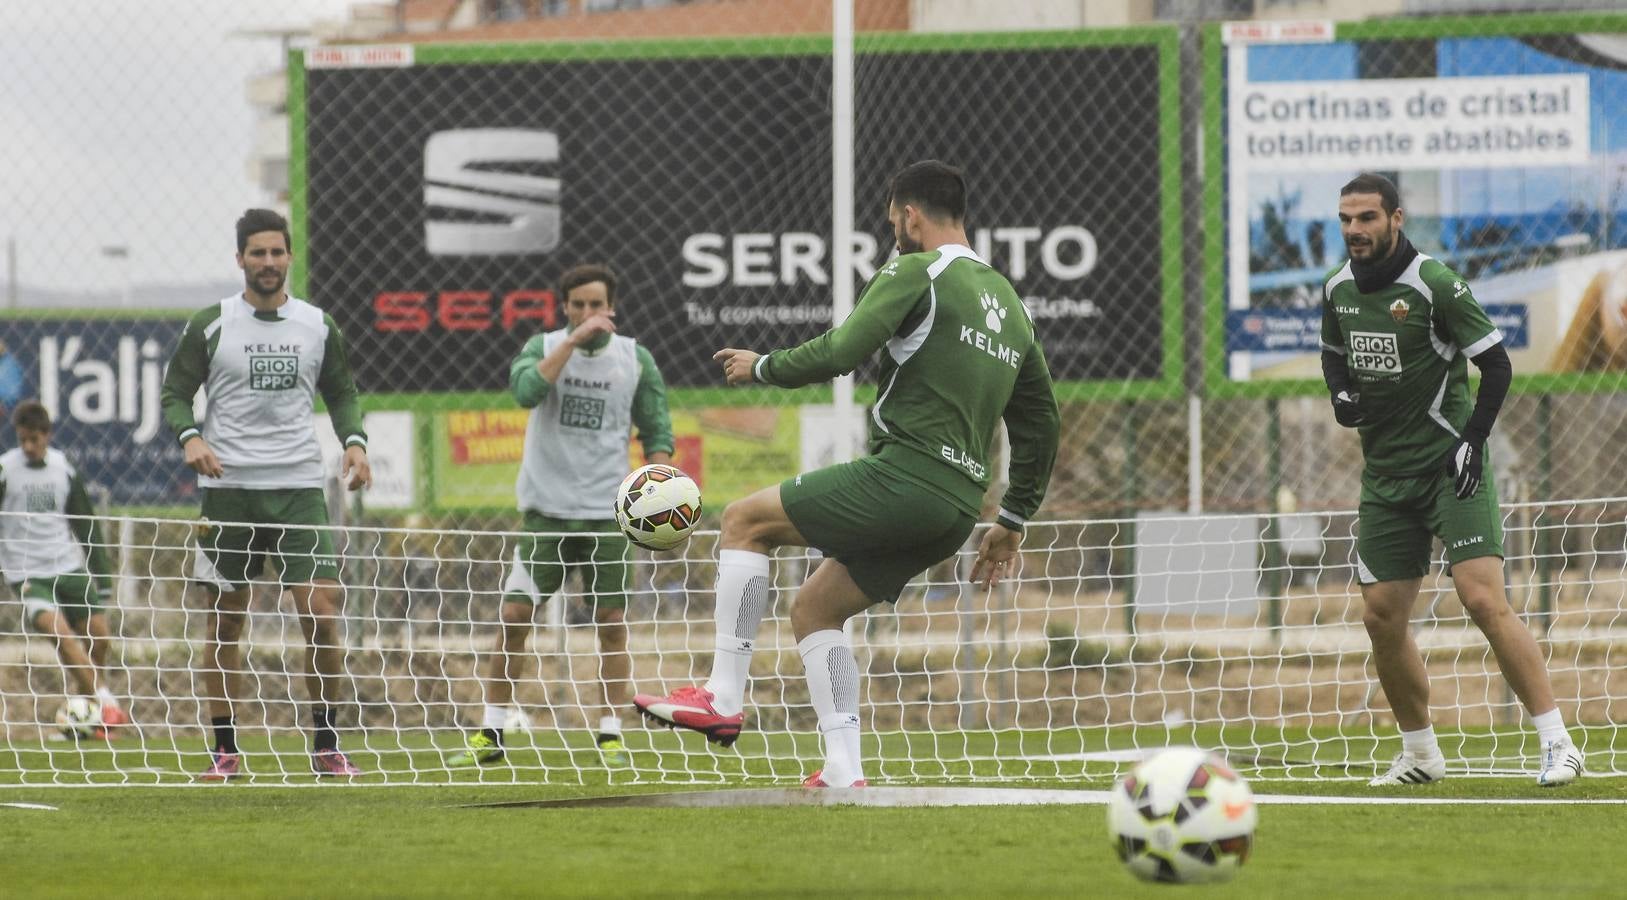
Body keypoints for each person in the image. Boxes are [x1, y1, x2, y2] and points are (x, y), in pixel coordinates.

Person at [636, 160, 1060, 787]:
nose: (893, 232)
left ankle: (722, 697)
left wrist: (763, 367)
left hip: (905, 479)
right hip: (957, 511)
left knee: (743, 520)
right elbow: (1041, 421)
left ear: (911, 215)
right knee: (815, 607)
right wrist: (1014, 519)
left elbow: (843, 351)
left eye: (893, 221)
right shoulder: (1011, 304)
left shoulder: (917, 270)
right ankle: (842, 768)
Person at [1321, 173, 1584, 787]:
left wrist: (1473, 442)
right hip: (1385, 476)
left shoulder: (1435, 284)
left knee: (1483, 599)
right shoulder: (1335, 288)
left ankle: (1558, 741)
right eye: (1345, 220)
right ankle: (1419, 753)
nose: (1355, 230)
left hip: (1450, 467)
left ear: (1396, 218)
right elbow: (1334, 352)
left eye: (1366, 218)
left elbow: (1495, 365)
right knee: (1381, 618)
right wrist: (1339, 395)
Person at [160, 208, 372, 781]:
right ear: (240, 260)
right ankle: (225, 749)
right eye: (258, 253)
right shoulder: (212, 323)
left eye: (278, 252)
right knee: (227, 625)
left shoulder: (318, 326)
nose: (269, 262)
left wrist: (354, 442)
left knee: (322, 613)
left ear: (290, 257)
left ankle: (327, 742)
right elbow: (175, 394)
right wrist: (191, 437)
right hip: (230, 493)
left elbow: (343, 393)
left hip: (299, 487)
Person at [448, 263, 674, 770]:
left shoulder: (634, 359)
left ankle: (611, 733)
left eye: (597, 305)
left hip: (606, 516)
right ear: (565, 308)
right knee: (513, 617)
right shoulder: (543, 347)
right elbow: (525, 392)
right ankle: (491, 731)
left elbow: (657, 430)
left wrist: (659, 479)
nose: (588, 314)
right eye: (579, 305)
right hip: (546, 514)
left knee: (612, 624)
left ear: (611, 307)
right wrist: (570, 344)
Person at [0, 401, 131, 736]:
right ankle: (106, 704)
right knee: (63, 635)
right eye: (22, 440)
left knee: (100, 639)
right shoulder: (5, 470)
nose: (28, 447)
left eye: (35, 440)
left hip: (69, 567)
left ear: (48, 435)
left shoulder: (63, 468)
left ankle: (83, 715)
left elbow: (86, 525)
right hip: (28, 574)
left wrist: (101, 578)